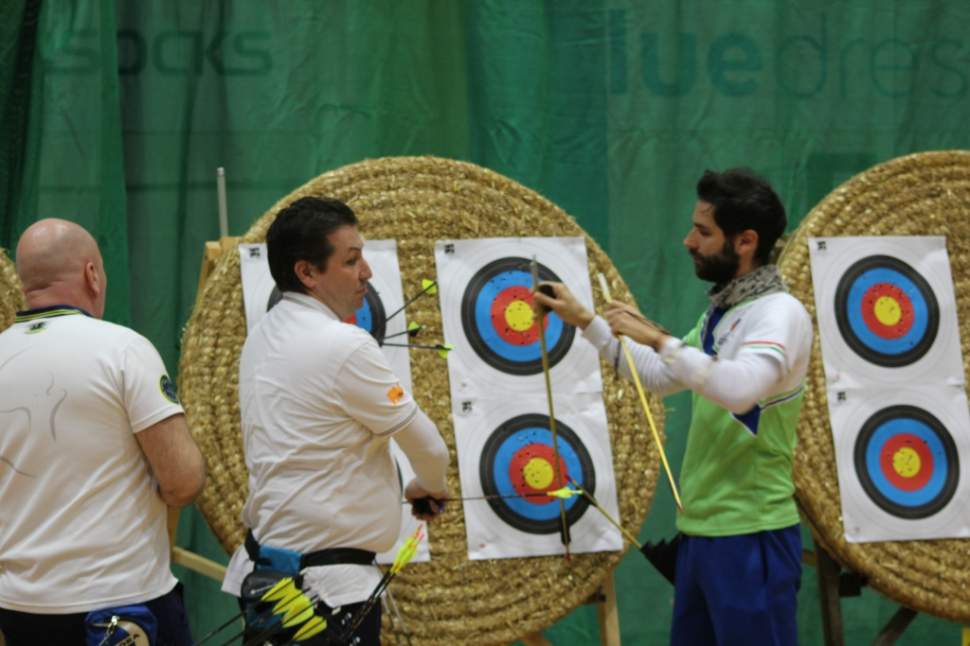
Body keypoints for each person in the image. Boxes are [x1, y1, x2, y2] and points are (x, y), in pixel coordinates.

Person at [535, 168, 812, 646]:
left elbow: (740, 389)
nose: (688, 241)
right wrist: (586, 321)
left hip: (752, 535)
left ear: (746, 241)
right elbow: (661, 376)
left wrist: (658, 337)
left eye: (704, 232)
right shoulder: (724, 312)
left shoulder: (779, 313)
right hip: (702, 536)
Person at [221, 196, 450, 645]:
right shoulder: (344, 344)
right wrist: (431, 486)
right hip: (325, 596)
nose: (366, 271)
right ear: (307, 273)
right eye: (351, 260)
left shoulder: (263, 335)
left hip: (268, 581)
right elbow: (430, 448)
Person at [0, 219, 207, 645]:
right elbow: (183, 481)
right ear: (92, 274)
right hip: (121, 605)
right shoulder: (123, 349)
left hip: (18, 610)